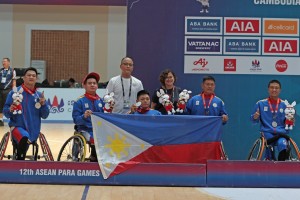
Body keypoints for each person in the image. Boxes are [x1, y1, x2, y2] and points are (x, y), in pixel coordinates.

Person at [3, 67, 49, 160]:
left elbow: (45, 115)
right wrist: (10, 109)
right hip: (17, 127)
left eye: (33, 76)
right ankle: (20, 162)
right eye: (28, 75)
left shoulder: (40, 96)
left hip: (34, 130)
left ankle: (20, 160)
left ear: (36, 79)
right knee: (24, 137)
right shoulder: (14, 93)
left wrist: (43, 105)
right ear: (24, 78)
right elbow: (6, 112)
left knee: (26, 138)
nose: (31, 77)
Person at [250, 80, 291, 161]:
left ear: (280, 90)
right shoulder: (260, 103)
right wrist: (255, 116)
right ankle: (268, 159)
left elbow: (289, 124)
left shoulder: (286, 105)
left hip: (281, 133)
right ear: (268, 89)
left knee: (282, 144)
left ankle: (281, 165)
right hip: (267, 132)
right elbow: (253, 121)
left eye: (276, 88)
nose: (274, 90)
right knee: (269, 145)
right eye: (272, 87)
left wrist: (290, 120)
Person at [72, 72, 105, 162]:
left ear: (97, 86)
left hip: (99, 129)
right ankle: (94, 157)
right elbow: (76, 120)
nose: (92, 85)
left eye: (94, 83)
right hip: (85, 130)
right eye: (89, 83)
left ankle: (98, 158)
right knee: (94, 138)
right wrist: (84, 116)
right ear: (84, 85)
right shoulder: (79, 101)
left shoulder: (101, 101)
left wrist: (109, 109)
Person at [0, 58, 16, 126]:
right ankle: (1, 120)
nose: (3, 63)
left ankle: (12, 120)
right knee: (0, 105)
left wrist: (14, 91)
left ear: (9, 63)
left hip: (8, 90)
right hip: (0, 90)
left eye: (5, 61)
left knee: (7, 105)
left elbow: (14, 81)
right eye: (3, 61)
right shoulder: (0, 71)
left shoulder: (13, 71)